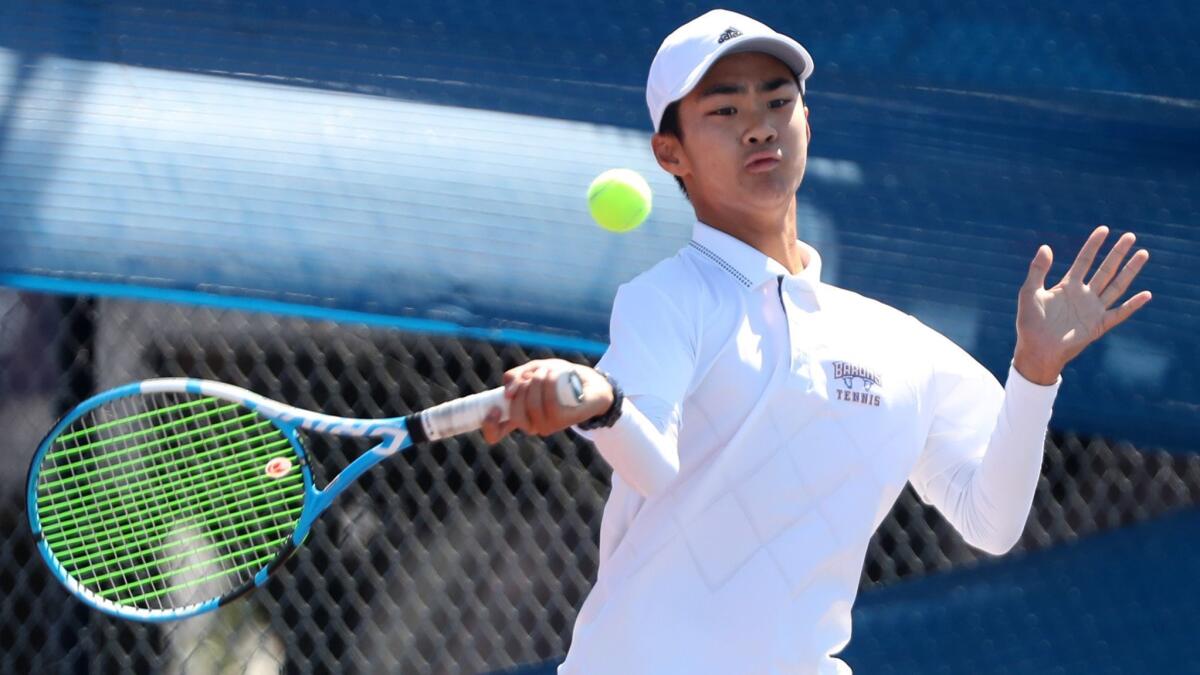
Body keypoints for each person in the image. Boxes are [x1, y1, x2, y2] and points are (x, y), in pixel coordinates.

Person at [480, 9, 1152, 674]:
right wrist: (606, 405)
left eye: (778, 101)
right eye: (724, 111)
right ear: (670, 153)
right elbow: (651, 465)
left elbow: (991, 519)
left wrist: (1035, 373)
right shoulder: (667, 299)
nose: (759, 126)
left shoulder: (899, 344)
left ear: (807, 121)